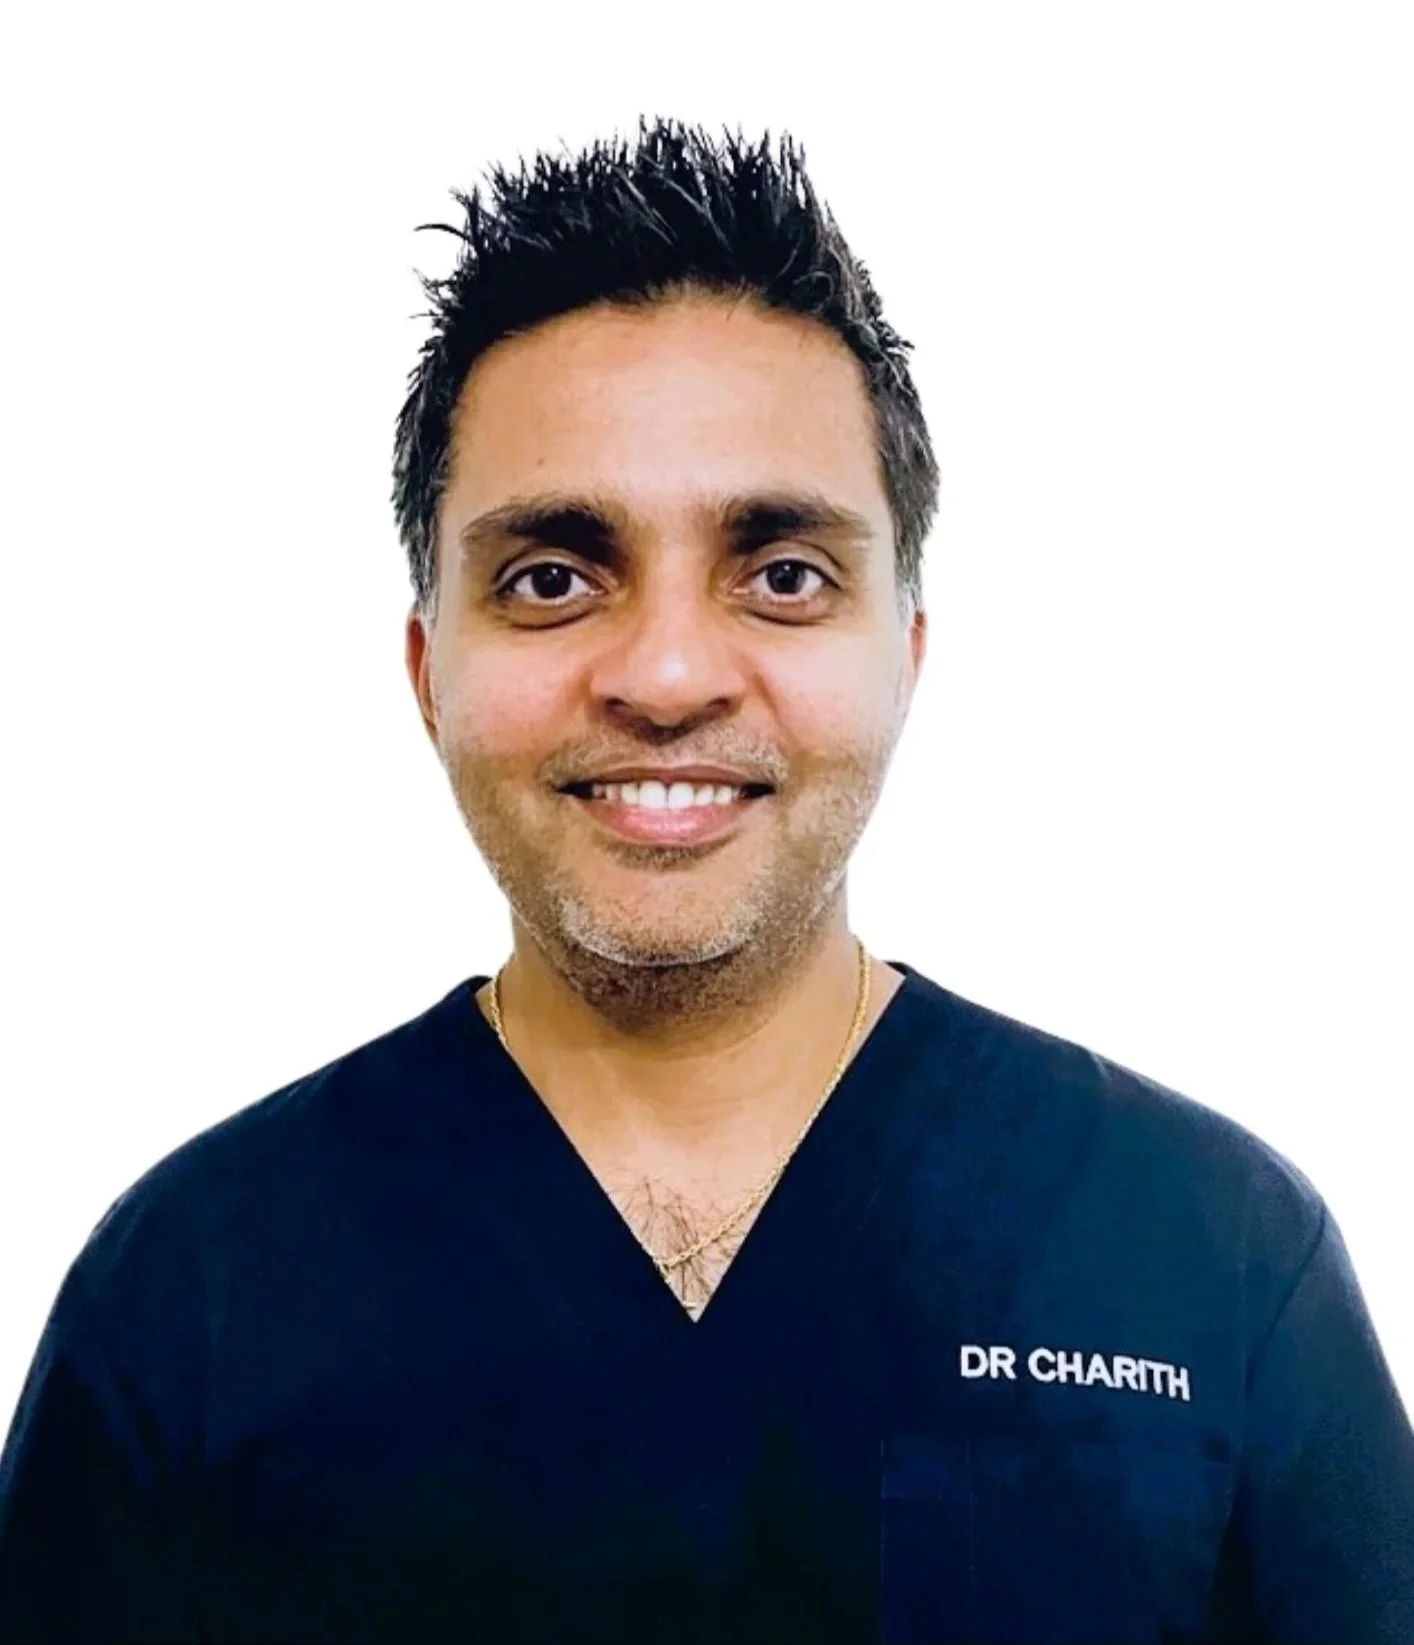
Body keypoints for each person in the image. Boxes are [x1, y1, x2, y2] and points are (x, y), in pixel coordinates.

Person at [0, 116, 1410, 1645]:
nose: (667, 675)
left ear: (903, 654)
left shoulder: (1206, 1254)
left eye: (783, 574)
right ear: (427, 672)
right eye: (552, 577)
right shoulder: (193, 1295)